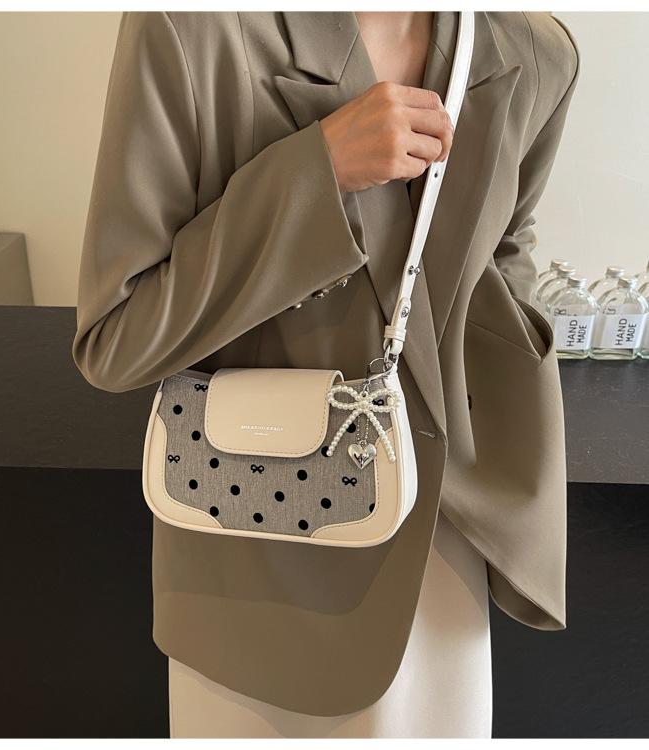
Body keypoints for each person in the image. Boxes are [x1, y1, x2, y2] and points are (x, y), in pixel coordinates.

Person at [72, 10, 579, 738]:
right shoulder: (191, 29)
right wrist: (316, 176)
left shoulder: (537, 52)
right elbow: (115, 340)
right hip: (254, 539)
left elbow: (504, 255)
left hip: (442, 534)